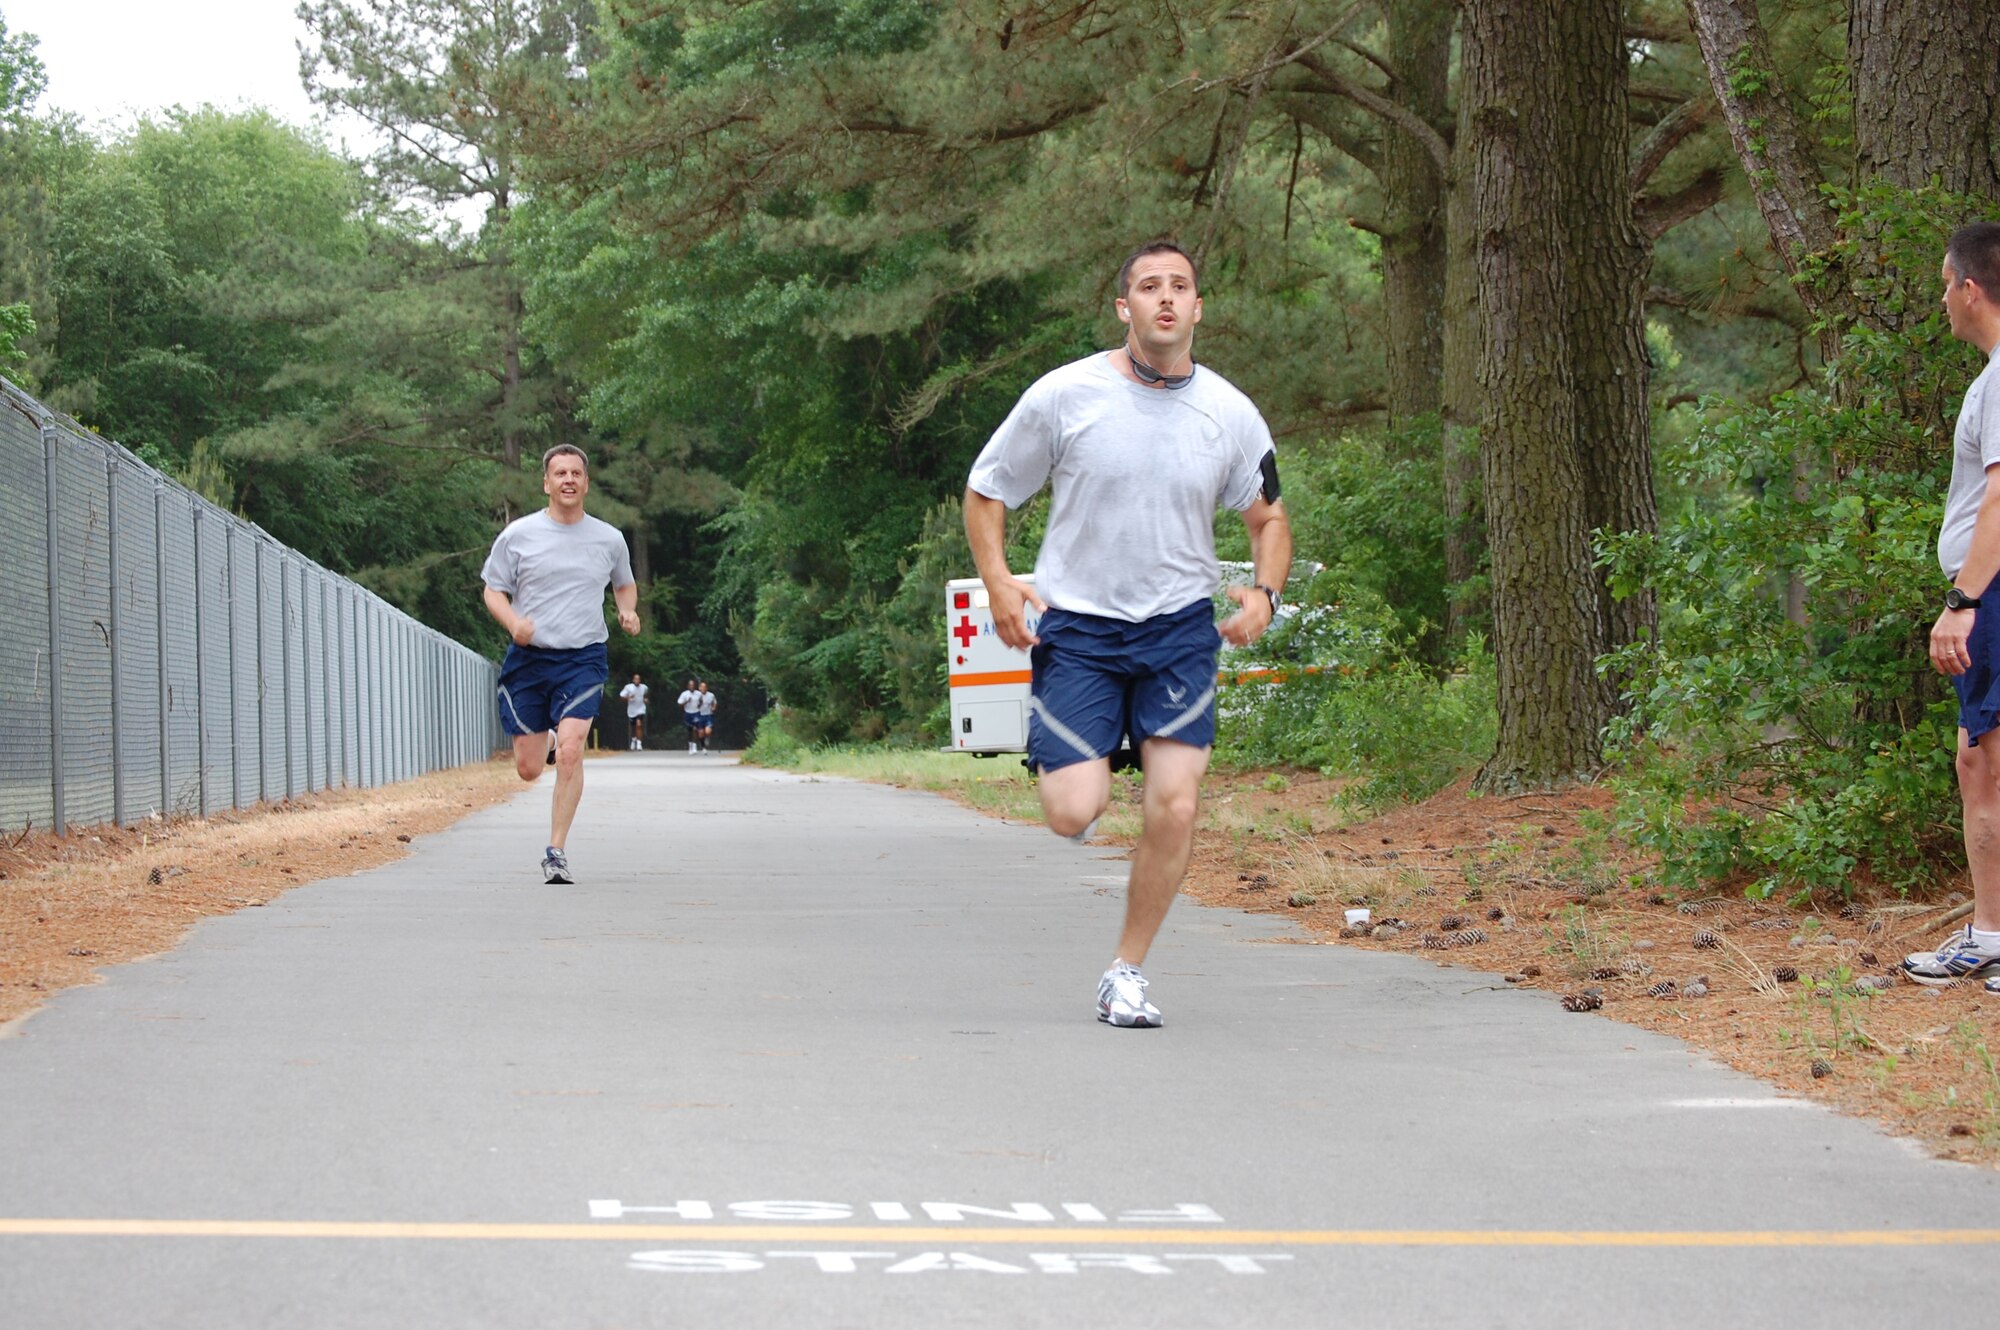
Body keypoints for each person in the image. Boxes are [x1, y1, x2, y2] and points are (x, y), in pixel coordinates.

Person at [964, 239, 1292, 1028]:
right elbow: (985, 492)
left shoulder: (1229, 412)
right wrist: (1002, 585)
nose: (1166, 299)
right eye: (1149, 287)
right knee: (1075, 811)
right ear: (1125, 307)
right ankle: (1093, 742)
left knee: (1174, 806)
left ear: (1198, 306)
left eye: (1180, 285)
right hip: (1079, 629)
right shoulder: (1065, 395)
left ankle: (1126, 971)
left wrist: (1266, 595)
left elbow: (1268, 516)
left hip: (1178, 630)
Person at [481, 444, 639, 884]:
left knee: (572, 752)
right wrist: (514, 622)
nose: (568, 479)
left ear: (586, 483)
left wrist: (626, 611)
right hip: (529, 659)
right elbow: (493, 590)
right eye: (560, 473)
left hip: (583, 656)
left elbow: (624, 585)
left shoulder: (608, 538)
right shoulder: (519, 535)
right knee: (529, 768)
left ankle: (556, 850)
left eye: (576, 473)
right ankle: (546, 742)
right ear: (546, 483)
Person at [1909, 221, 2000, 989]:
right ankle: (1989, 933)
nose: (1942, 297)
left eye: (1945, 282)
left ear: (1971, 288)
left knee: (1995, 758)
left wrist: (1963, 600)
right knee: (1977, 762)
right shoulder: (1990, 377)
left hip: (1993, 591)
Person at [618, 672, 650, 750]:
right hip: (632, 710)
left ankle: (639, 743)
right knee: (633, 727)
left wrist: (646, 700)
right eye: (635, 679)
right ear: (633, 680)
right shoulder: (628, 687)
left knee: (639, 725)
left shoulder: (644, 687)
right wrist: (628, 697)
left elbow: (646, 696)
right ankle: (633, 740)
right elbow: (621, 697)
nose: (637, 680)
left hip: (641, 709)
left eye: (638, 679)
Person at [678, 678, 703, 753]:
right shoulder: (684, 694)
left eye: (693, 685)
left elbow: (701, 701)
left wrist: (699, 705)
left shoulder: (698, 693)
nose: (692, 686)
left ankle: (694, 746)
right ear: (688, 686)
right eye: (690, 685)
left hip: (696, 713)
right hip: (688, 713)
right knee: (690, 730)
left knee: (695, 729)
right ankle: (690, 746)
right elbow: (679, 704)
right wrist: (686, 701)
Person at [697, 680, 718, 752]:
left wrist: (714, 707)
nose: (703, 688)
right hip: (699, 715)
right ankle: (703, 747)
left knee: (708, 731)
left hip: (708, 715)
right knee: (701, 733)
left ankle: (707, 738)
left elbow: (714, 703)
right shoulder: (697, 695)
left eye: (704, 687)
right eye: (701, 687)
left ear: (707, 688)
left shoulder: (711, 695)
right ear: (699, 688)